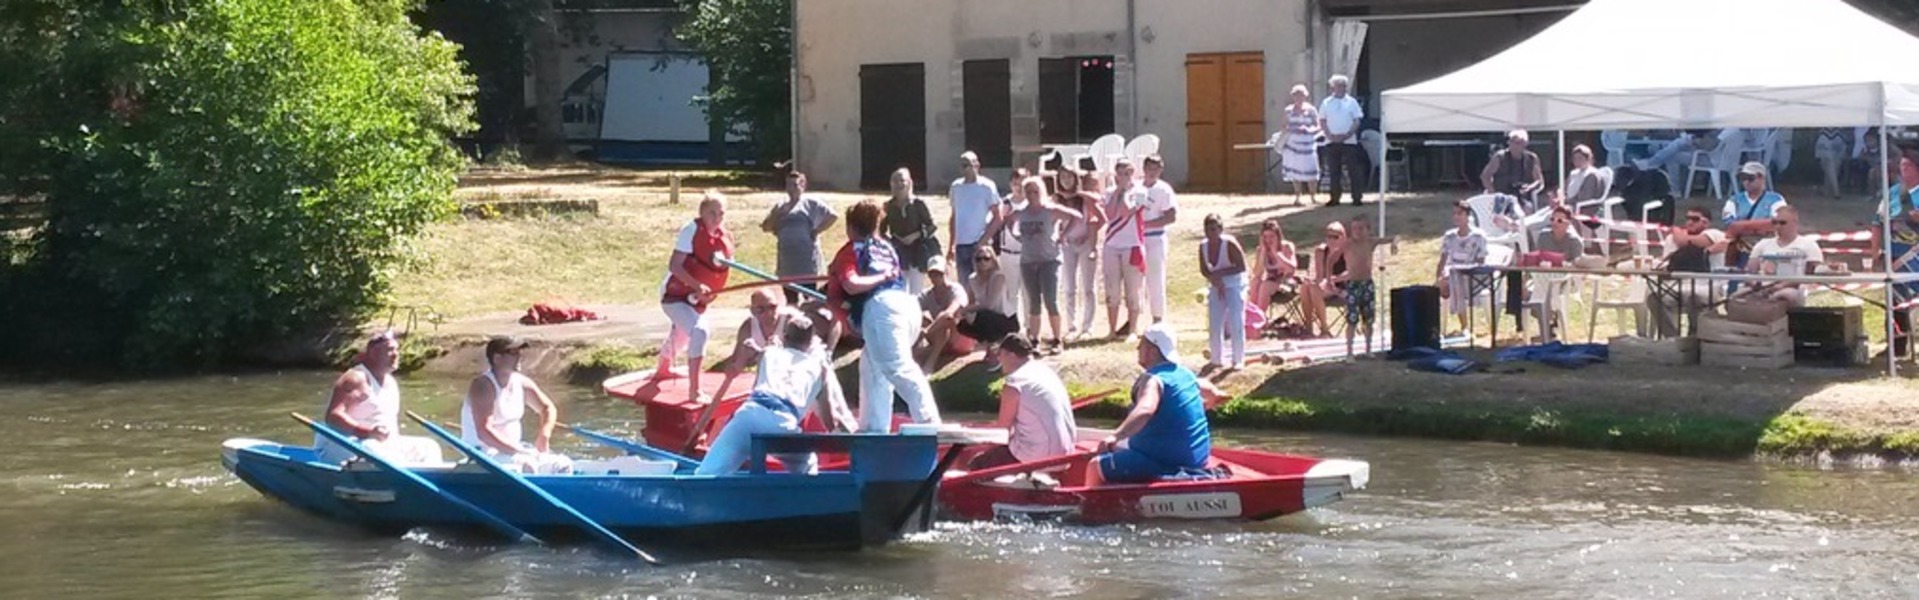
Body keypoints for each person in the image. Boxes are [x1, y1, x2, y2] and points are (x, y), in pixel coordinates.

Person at [828, 199, 940, 432]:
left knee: (897, 366)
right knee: (872, 367)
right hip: (907, 306)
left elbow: (851, 284)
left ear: (850, 228)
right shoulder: (887, 247)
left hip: (882, 309)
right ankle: (873, 428)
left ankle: (931, 425)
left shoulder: (851, 250)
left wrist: (878, 279)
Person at [695, 315, 847, 475]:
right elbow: (829, 418)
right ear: (810, 342)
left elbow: (762, 355)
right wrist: (839, 436)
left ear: (785, 337)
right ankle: (807, 494)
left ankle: (694, 491)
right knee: (806, 463)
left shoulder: (769, 353)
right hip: (782, 424)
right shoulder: (820, 369)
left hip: (749, 414)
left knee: (708, 471)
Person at [1091, 324, 1230, 485]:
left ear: (1153, 350)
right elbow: (1212, 392)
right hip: (1196, 461)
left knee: (1095, 466)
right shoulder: (1185, 374)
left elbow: (1145, 409)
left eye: (1141, 344)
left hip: (1162, 461)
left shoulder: (1153, 379)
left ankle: (1091, 508)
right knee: (1121, 451)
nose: (1137, 348)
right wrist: (1209, 403)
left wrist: (1116, 435)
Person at [983, 176, 1081, 354]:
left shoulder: (1050, 210)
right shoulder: (1022, 212)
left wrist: (1062, 235)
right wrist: (1017, 236)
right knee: (1033, 302)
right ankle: (1034, 340)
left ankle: (1057, 339)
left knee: (1050, 300)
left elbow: (1076, 216)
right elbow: (1008, 221)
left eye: (1035, 191)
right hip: (1028, 261)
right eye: (1028, 192)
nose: (1032, 195)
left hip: (1049, 260)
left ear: (1041, 192)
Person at [654, 191, 734, 404]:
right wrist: (698, 286)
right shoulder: (691, 230)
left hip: (697, 298)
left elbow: (722, 273)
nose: (716, 218)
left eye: (721, 214)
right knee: (699, 331)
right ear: (702, 212)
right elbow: (675, 265)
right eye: (711, 213)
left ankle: (663, 368)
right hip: (674, 295)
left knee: (682, 336)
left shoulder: (726, 237)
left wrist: (710, 296)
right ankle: (694, 391)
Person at [316, 330, 442, 465]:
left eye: (397, 350)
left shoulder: (391, 382)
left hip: (380, 444)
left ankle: (433, 480)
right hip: (343, 443)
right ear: (374, 354)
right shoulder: (356, 378)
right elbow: (333, 416)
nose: (396, 355)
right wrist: (367, 432)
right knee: (372, 449)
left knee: (429, 447)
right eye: (389, 350)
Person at [460, 336, 572, 474]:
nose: (520, 357)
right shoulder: (483, 386)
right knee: (528, 466)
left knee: (563, 464)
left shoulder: (522, 383)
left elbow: (547, 408)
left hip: (513, 451)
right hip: (483, 453)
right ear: (497, 358)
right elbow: (484, 432)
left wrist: (544, 435)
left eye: (520, 352)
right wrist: (519, 451)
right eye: (513, 353)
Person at [966, 335, 1078, 471]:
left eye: (1000, 354)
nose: (999, 359)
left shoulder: (1015, 383)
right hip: (1066, 455)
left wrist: (971, 435)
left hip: (1039, 458)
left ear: (1012, 355)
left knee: (977, 463)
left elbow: (1001, 432)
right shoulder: (1046, 372)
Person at [1649, 206, 1729, 338]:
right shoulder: (1671, 239)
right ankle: (1673, 338)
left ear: (1706, 222)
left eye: (1695, 219)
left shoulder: (1715, 234)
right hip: (1676, 285)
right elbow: (1666, 264)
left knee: (1695, 297)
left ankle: (1695, 338)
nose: (1690, 222)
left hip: (1708, 286)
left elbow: (1685, 242)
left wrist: (1677, 231)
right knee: (1653, 297)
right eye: (1687, 218)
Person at [1870, 149, 1919, 358]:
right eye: (1902, 165)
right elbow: (1877, 223)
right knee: (1895, 301)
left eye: (1908, 165)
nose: (1903, 169)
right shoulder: (1892, 193)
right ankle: (1896, 347)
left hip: (1916, 256)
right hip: (1895, 256)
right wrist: (1875, 252)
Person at [762, 170, 837, 304]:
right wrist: (777, 215)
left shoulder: (811, 204)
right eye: (788, 185)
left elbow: (833, 216)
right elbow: (766, 227)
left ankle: (811, 323)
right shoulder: (780, 206)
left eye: (795, 185)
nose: (791, 188)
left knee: (810, 298)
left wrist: (816, 231)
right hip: (787, 263)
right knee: (791, 299)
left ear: (803, 186)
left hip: (806, 262)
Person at [1735, 205, 1824, 307]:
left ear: (1795, 223)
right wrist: (1754, 283)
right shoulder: (1763, 244)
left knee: (1785, 295)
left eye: (1782, 223)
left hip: (1793, 288)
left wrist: (1782, 285)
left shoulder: (1808, 245)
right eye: (1774, 223)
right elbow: (1750, 271)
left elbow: (1812, 274)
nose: (1778, 226)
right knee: (1736, 297)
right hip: (1762, 287)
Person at [1101, 159, 1147, 337]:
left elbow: (1127, 211)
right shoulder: (1110, 192)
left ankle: (1132, 330)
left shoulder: (1140, 191)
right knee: (1112, 289)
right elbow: (1110, 213)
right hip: (1112, 244)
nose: (1125, 177)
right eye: (1121, 173)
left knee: (1133, 289)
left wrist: (1126, 192)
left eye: (1128, 173)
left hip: (1132, 244)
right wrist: (1118, 192)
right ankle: (1112, 330)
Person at [1059, 169, 1106, 341]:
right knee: (1069, 287)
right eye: (1062, 177)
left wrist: (1088, 236)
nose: (1066, 181)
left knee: (1088, 288)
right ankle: (1071, 326)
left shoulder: (1085, 198)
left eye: (1069, 177)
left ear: (1075, 179)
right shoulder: (1059, 198)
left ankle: (1088, 327)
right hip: (1068, 245)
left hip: (1086, 245)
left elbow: (1102, 218)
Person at [1197, 213, 1248, 372]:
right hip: (1215, 285)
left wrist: (1221, 274)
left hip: (1235, 284)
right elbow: (1204, 269)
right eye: (1207, 229)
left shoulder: (1229, 243)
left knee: (1235, 321)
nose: (1210, 233)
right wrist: (1213, 279)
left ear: (1220, 229)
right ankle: (1216, 358)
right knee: (1214, 322)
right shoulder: (1203, 246)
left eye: (1213, 229)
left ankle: (1238, 359)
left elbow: (1241, 266)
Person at [955, 246, 1022, 367]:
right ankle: (989, 346)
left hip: (1005, 319)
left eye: (986, 258)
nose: (982, 262)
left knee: (983, 315)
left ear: (993, 260)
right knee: (962, 324)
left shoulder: (998, 276)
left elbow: (989, 304)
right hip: (986, 316)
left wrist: (967, 310)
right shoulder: (972, 279)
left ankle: (995, 354)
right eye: (979, 259)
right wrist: (964, 314)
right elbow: (971, 301)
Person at [1334, 217, 1389, 357]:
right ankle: (1349, 352)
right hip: (1352, 284)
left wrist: (1395, 242)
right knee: (1352, 319)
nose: (1357, 232)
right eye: (1354, 229)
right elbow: (1331, 258)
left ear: (1368, 230)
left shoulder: (1370, 242)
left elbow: (1391, 238)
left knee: (1369, 319)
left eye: (1361, 228)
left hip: (1367, 284)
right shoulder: (1347, 244)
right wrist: (1329, 279)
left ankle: (1368, 349)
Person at [948, 151, 1000, 295]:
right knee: (964, 289)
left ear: (977, 165)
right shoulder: (956, 187)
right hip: (961, 246)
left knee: (984, 287)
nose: (966, 169)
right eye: (963, 165)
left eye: (969, 165)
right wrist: (951, 245)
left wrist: (982, 242)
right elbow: (954, 216)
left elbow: (997, 217)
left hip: (979, 246)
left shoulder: (987, 186)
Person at [1435, 200, 1490, 336]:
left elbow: (1481, 260)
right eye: (1454, 214)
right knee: (1447, 281)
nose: (1456, 217)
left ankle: (1464, 326)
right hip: (1452, 274)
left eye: (1460, 214)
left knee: (1455, 279)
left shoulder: (1478, 236)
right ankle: (1435, 326)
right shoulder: (1450, 236)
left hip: (1473, 275)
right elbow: (1442, 260)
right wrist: (1438, 276)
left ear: (1468, 216)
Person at [883, 168, 940, 296]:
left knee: (916, 292)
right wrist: (891, 240)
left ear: (909, 182)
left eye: (902, 180)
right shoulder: (888, 206)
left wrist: (917, 235)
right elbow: (880, 230)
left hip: (917, 252)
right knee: (899, 291)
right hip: (898, 252)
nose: (899, 184)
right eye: (895, 181)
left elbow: (931, 226)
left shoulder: (918, 204)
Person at [1722, 161, 1788, 271]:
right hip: (1742, 250)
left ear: (1761, 178)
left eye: (1750, 178)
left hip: (1769, 249)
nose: (1746, 182)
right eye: (1743, 178)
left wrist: (1743, 226)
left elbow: (1777, 223)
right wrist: (1760, 227)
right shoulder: (1734, 200)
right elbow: (1731, 226)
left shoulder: (1776, 199)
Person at [1139, 155, 1179, 324]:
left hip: (1155, 237)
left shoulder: (1164, 190)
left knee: (1155, 278)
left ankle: (1158, 316)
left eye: (1156, 168)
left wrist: (1147, 225)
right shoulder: (1137, 188)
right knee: (1136, 280)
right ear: (1144, 168)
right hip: (1137, 239)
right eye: (1149, 168)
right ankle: (1135, 316)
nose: (1152, 172)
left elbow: (1171, 216)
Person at [1319, 74, 1367, 206]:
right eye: (1339, 85)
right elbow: (1322, 120)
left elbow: (1357, 120)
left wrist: (1348, 134)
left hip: (1349, 141)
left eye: (1344, 86)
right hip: (1331, 141)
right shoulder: (1326, 102)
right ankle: (1335, 198)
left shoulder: (1352, 102)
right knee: (1334, 171)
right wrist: (1329, 134)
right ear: (1333, 87)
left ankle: (1357, 197)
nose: (1342, 88)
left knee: (1353, 170)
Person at [916, 256, 970, 373]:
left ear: (946, 272)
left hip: (960, 337)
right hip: (941, 338)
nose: (935, 277)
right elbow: (912, 307)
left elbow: (949, 313)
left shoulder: (956, 290)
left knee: (946, 319)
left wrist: (926, 331)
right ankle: (916, 352)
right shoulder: (928, 293)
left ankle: (930, 364)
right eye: (932, 274)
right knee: (921, 317)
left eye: (939, 273)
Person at [1301, 221, 1348, 337]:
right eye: (1329, 236)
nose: (1331, 240)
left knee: (1314, 289)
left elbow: (1351, 273)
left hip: (1345, 288)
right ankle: (1309, 327)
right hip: (1326, 287)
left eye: (1335, 237)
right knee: (1305, 287)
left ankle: (1324, 329)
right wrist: (1311, 280)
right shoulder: (1321, 251)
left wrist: (1332, 280)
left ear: (1343, 237)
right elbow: (1319, 276)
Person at [1279, 84, 1322, 206]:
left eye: (1301, 95)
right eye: (1296, 95)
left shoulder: (1311, 110)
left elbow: (1318, 126)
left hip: (1308, 145)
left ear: (1305, 96)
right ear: (1293, 96)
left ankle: (1313, 197)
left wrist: (1309, 130)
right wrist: (1292, 129)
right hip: (1293, 145)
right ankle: (1298, 197)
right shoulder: (1288, 110)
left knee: (1311, 171)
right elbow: (1283, 126)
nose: (1298, 97)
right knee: (1295, 172)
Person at [1482, 129, 1545, 213]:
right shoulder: (1499, 157)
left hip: (1522, 197)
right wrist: (1492, 191)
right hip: (1501, 195)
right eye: (1511, 142)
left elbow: (1539, 180)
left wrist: (1529, 187)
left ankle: (1523, 225)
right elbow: (1485, 176)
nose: (1513, 145)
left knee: (1528, 208)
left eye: (1518, 143)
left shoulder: (1532, 158)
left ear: (1525, 144)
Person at [1250, 219, 1300, 318]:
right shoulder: (1260, 250)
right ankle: (1252, 318)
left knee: (1265, 286)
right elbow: (1257, 273)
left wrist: (1277, 255)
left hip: (1287, 282)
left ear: (1278, 236)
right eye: (1265, 237)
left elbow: (1292, 269)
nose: (1268, 240)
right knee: (1255, 282)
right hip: (1270, 281)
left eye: (1272, 236)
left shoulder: (1287, 247)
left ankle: (1259, 319)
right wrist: (1263, 252)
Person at [1814, 127, 1851, 199]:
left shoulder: (1840, 132)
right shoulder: (1822, 133)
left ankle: (1827, 190)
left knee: (1832, 167)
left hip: (1837, 155)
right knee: (1829, 162)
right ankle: (1836, 192)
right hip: (1825, 156)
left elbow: (1843, 149)